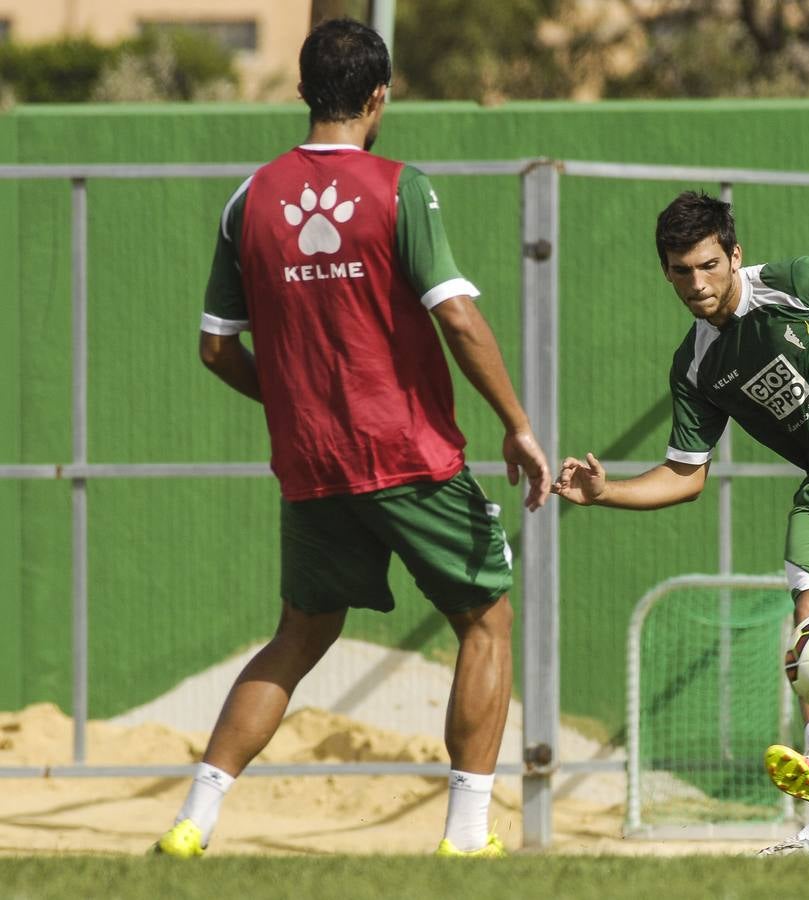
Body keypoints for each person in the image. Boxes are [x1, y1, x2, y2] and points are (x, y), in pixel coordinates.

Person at [151, 18, 549, 860]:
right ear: (379, 97)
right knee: (485, 621)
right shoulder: (400, 187)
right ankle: (466, 837)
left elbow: (216, 347)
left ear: (300, 92)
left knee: (299, 633)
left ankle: (193, 822)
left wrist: (294, 407)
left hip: (311, 466)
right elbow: (458, 315)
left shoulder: (247, 199)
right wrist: (517, 424)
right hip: (408, 456)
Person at [552, 191, 809, 858]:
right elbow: (685, 476)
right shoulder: (695, 365)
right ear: (665, 272)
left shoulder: (798, 283)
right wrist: (604, 493)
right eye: (681, 271)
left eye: (709, 265)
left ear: (734, 254)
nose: (697, 283)